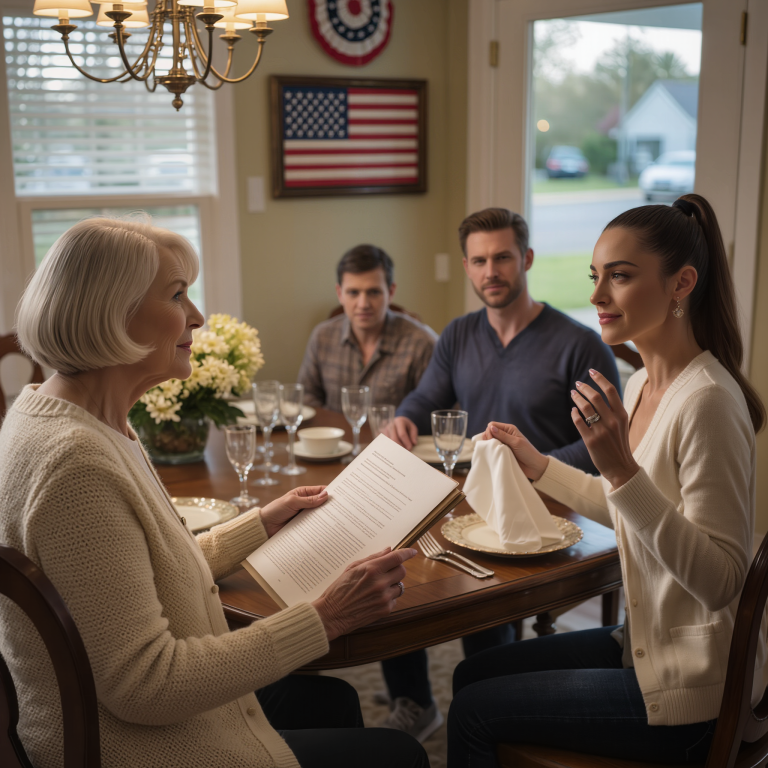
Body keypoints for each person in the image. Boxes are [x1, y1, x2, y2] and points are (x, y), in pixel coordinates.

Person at [0, 217, 429, 768]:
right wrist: (327, 618)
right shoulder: (75, 464)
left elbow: (133, 572)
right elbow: (145, 683)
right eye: (178, 295)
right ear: (113, 311)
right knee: (398, 754)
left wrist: (258, 525)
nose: (197, 316)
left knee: (333, 700)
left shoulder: (74, 416)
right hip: (126, 744)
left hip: (111, 712)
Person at [448, 194, 767, 766]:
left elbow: (722, 580)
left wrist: (620, 466)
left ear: (681, 283)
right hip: (640, 645)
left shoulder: (708, 402)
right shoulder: (643, 383)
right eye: (596, 276)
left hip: (689, 689)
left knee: (473, 711)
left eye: (619, 277)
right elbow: (626, 505)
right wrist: (538, 464)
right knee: (474, 671)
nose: (596, 296)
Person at [378, 208, 621, 742]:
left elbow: (602, 442)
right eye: (480, 260)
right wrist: (404, 417)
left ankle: (490, 710)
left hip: (551, 509)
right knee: (389, 561)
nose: (492, 271)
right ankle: (415, 699)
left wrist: (537, 469)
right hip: (471, 499)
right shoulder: (460, 334)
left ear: (527, 259)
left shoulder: (579, 344)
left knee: (480, 603)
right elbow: (428, 398)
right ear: (467, 266)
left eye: (503, 257)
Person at [298, 244, 438, 411]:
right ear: (340, 293)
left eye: (373, 292)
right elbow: (306, 399)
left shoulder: (421, 343)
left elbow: (434, 409)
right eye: (353, 293)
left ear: (391, 292)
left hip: (393, 438)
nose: (363, 304)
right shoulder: (322, 336)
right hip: (333, 436)